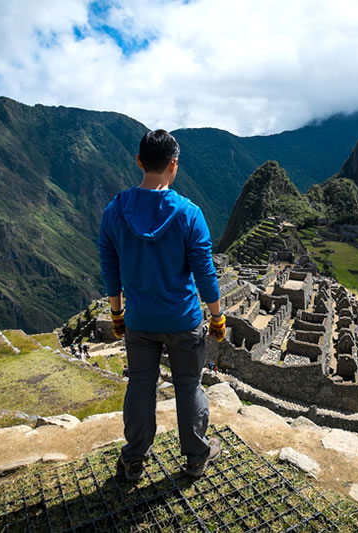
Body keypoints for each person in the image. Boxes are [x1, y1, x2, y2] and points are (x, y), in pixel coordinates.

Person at [98, 129, 226, 482]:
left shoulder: (115, 211)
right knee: (188, 385)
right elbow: (204, 272)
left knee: (141, 384)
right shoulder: (188, 214)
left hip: (139, 319)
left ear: (139, 162)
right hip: (183, 319)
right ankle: (197, 457)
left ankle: (134, 459)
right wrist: (216, 318)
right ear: (174, 165)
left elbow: (110, 267)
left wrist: (116, 312)